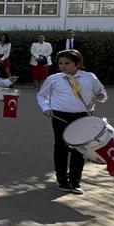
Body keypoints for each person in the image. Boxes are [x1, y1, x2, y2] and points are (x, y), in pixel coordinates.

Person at [37, 50, 107, 195]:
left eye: (67, 63)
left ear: (77, 64)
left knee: (80, 149)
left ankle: (75, 181)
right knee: (61, 147)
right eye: (60, 63)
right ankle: (62, 179)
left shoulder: (89, 77)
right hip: (59, 116)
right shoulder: (54, 78)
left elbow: (102, 93)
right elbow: (42, 95)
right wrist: (46, 107)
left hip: (82, 116)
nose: (63, 66)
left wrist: (101, 96)